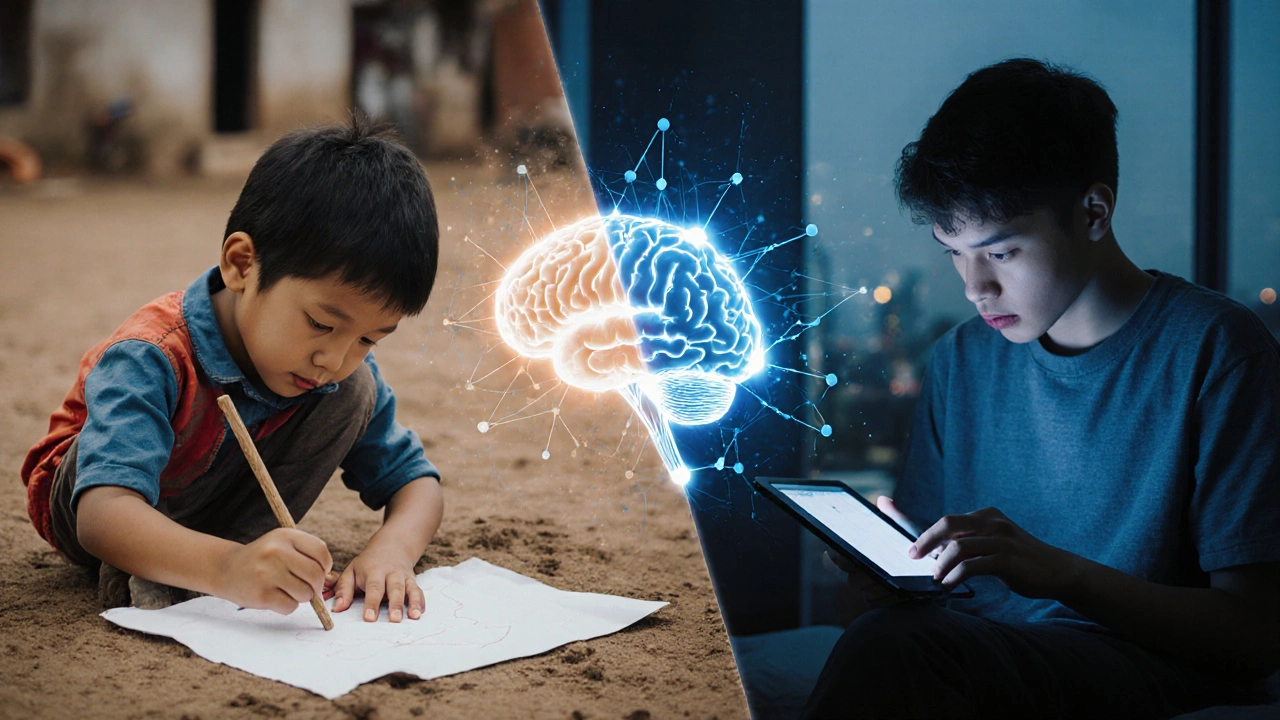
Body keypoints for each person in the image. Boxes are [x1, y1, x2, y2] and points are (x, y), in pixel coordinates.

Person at [803, 58, 1280, 719]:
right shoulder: (961, 359)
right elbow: (923, 595)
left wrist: (1061, 574)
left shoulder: (1217, 351)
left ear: (1092, 212)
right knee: (889, 637)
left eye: (1001, 252)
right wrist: (884, 584)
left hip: (1142, 669)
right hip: (979, 653)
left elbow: (1254, 636)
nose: (975, 287)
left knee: (898, 650)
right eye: (954, 253)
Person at [20, 114, 445, 624]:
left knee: (356, 390)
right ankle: (178, 559)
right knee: (117, 500)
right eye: (319, 323)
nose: (333, 359)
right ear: (242, 265)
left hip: (212, 505)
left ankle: (198, 559)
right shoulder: (152, 353)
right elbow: (98, 516)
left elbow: (418, 484)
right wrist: (229, 568)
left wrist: (392, 550)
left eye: (370, 339)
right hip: (94, 495)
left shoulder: (336, 375)